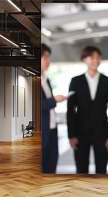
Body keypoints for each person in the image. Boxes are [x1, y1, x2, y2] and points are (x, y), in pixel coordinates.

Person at [67, 46, 108, 174]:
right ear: (84, 60)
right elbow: (70, 110)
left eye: (98, 57)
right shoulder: (75, 81)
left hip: (103, 133)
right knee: (81, 169)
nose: (96, 60)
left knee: (102, 170)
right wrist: (71, 135)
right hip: (80, 133)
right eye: (92, 57)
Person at [41, 43, 67, 173]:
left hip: (52, 130)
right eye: (45, 57)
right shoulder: (34, 80)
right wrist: (54, 100)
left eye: (49, 57)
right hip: (43, 132)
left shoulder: (47, 80)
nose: (48, 61)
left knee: (52, 165)